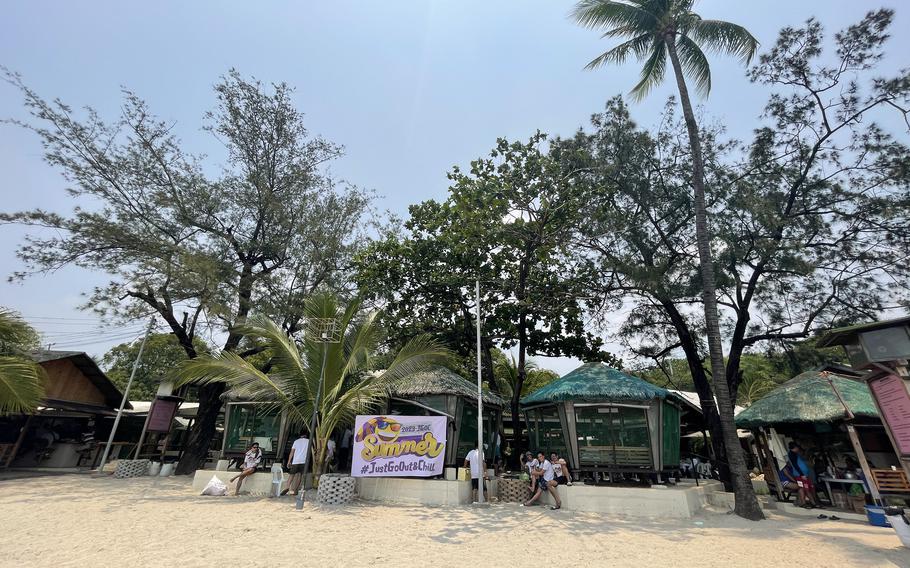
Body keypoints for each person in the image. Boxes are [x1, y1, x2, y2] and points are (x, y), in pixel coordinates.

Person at [282, 431, 310, 496]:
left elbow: (292, 452)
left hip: (296, 461)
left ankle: (287, 487)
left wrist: (289, 461)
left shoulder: (296, 441)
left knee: (291, 475)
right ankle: (295, 490)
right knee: (299, 475)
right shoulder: (309, 441)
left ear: (300, 435)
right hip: (304, 461)